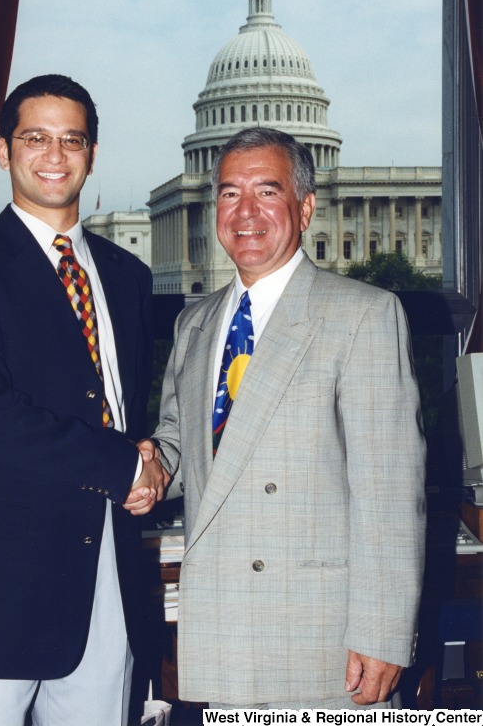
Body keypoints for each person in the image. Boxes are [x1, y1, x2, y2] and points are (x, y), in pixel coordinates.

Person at [0, 74, 168, 726]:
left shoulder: (127, 275)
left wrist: (152, 458)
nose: (54, 156)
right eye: (35, 138)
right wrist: (122, 465)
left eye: (71, 140)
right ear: (3, 150)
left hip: (103, 572)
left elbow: (123, 408)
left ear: (92, 154)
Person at [145, 127, 426, 710]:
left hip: (318, 635)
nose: (244, 212)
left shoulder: (363, 315)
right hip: (216, 624)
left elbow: (390, 493)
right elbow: (182, 445)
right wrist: (146, 469)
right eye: (228, 194)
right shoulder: (192, 324)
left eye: (266, 192)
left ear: (304, 207)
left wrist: (383, 634)